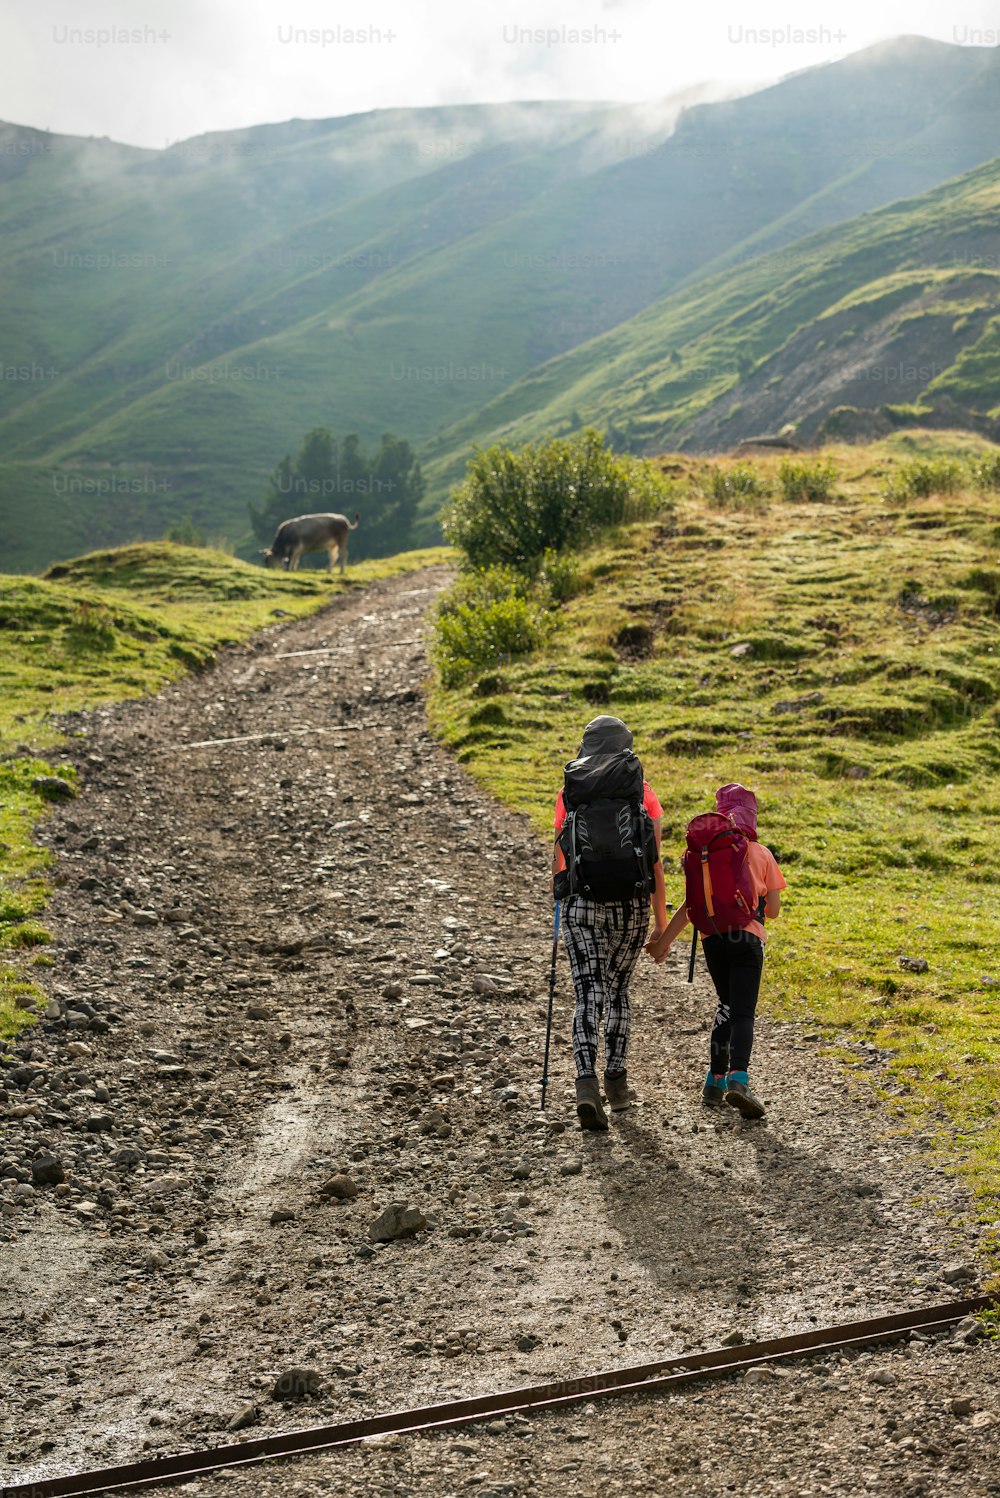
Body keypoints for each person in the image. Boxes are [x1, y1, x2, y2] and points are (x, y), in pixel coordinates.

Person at [552, 716, 668, 1130]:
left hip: (581, 906)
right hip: (631, 906)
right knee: (617, 990)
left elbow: (560, 856)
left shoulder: (571, 789)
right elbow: (653, 862)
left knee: (587, 992)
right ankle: (616, 1084)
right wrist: (660, 923)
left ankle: (585, 1084)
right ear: (626, 745)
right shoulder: (643, 794)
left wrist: (559, 901)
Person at [646, 783, 786, 1119]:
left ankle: (714, 1081)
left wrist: (663, 943)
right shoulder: (760, 852)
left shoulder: (704, 857)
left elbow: (691, 906)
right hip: (747, 940)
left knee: (724, 1005)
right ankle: (739, 1078)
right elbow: (774, 911)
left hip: (712, 941)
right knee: (742, 1012)